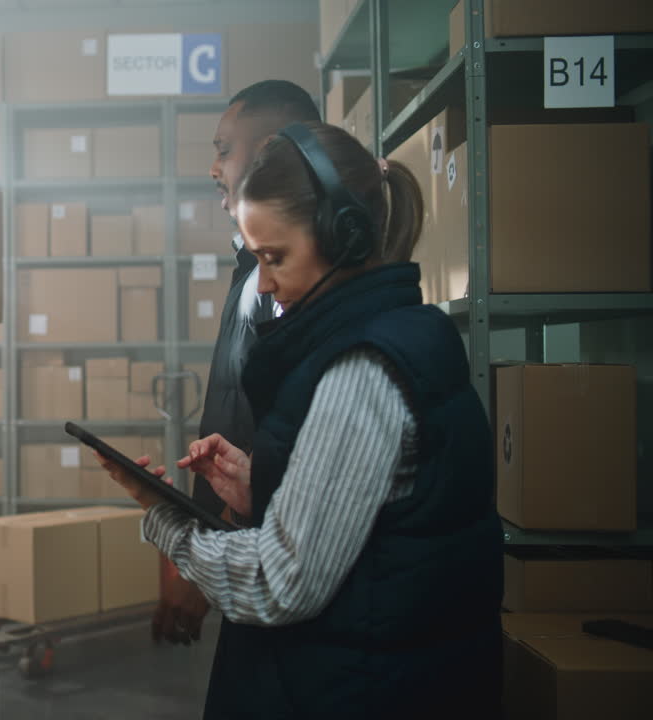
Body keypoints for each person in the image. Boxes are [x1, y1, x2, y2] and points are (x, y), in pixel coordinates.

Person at [98, 122, 504, 719]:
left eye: (275, 256)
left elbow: (276, 584)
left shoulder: (361, 372)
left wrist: (161, 518)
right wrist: (265, 487)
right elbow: (376, 524)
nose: (264, 281)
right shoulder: (403, 334)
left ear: (344, 236)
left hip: (359, 692)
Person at [153, 79, 320, 648]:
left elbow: (270, 436)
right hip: (239, 547)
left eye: (225, 148)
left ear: (271, 150)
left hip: (255, 559)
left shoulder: (281, 285)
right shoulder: (254, 270)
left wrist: (202, 565)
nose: (213, 167)